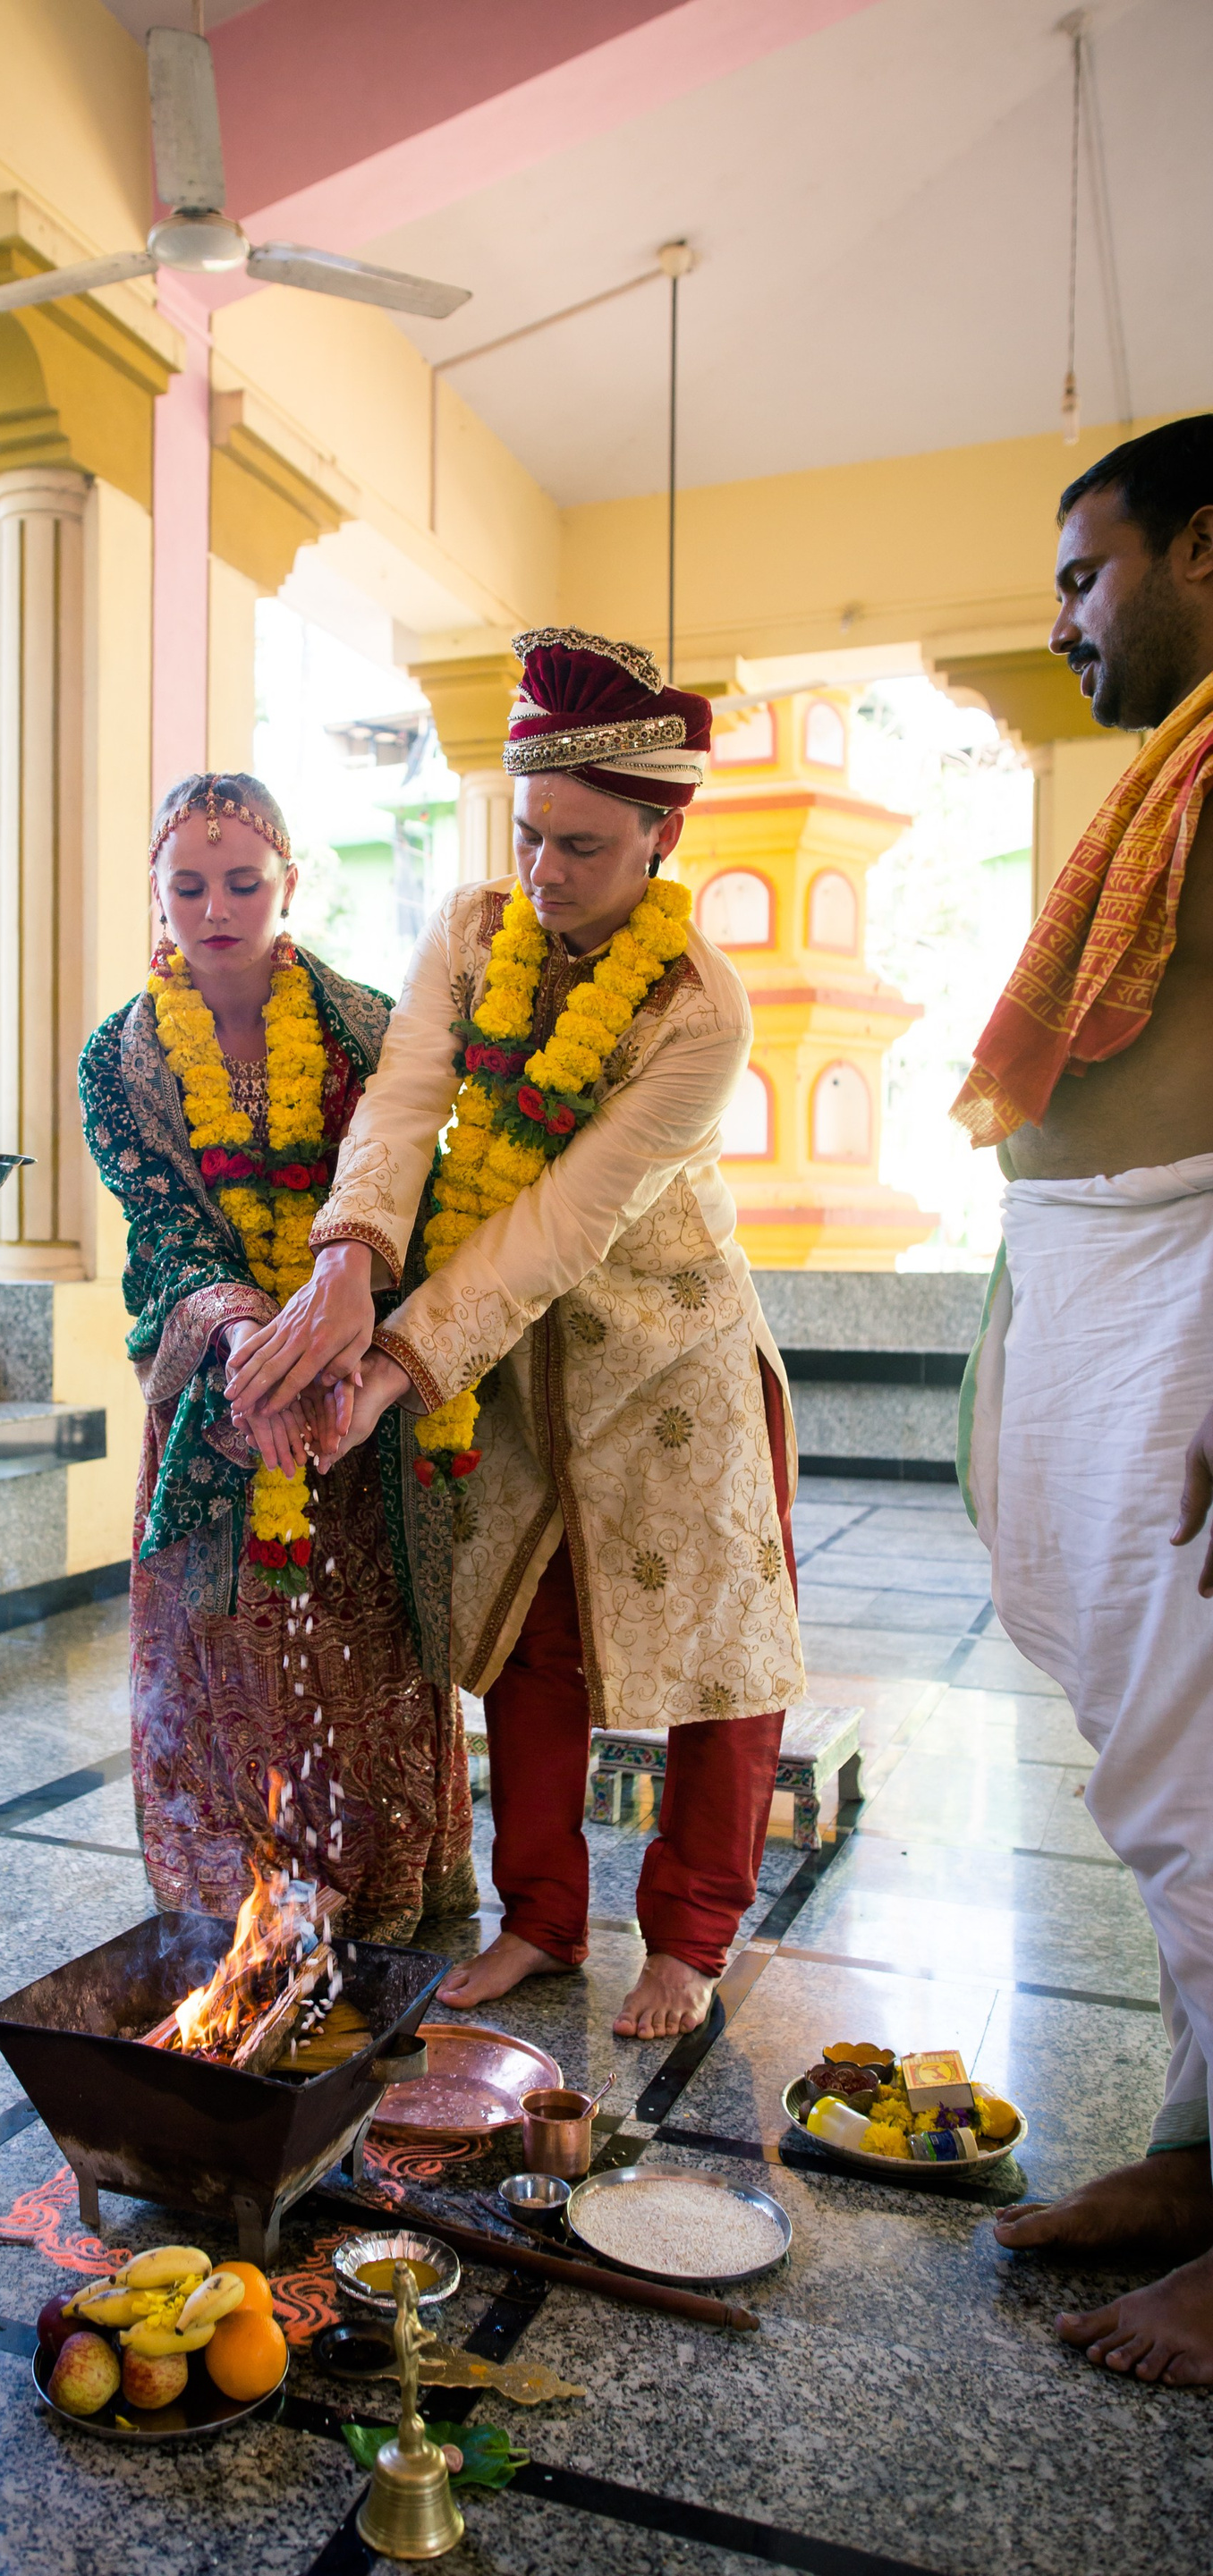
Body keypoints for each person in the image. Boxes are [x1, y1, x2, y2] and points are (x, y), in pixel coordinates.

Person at [227, 633, 804, 2038]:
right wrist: (350, 1260)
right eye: (530, 835)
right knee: (529, 1640)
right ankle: (541, 1919)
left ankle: (690, 1939)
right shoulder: (473, 929)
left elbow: (564, 1223)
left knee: (720, 1655)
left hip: (670, 1346)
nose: (544, 872)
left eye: (582, 848)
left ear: (662, 839)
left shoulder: (700, 1009)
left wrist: (390, 1368)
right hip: (504, 1352)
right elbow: (408, 1098)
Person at [955, 417, 1213, 2386]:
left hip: (1192, 1291)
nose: (1060, 623)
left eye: (1082, 575)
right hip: (1117, 1285)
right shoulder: (1179, 770)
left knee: (1208, 1776)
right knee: (1161, 1768)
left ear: (1203, 546)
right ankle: (1202, 2156)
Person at [77, 772, 474, 1942]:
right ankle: (237, 1893)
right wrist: (251, 1347)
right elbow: (165, 1226)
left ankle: (384, 1878)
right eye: (189, 886)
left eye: (243, 883)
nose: (216, 909)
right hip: (221, 1388)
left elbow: (406, 1194)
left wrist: (341, 1353)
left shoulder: (365, 1028)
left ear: (288, 883)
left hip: (353, 1389)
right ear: (156, 893)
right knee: (228, 1633)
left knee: (367, 1641)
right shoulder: (120, 1057)